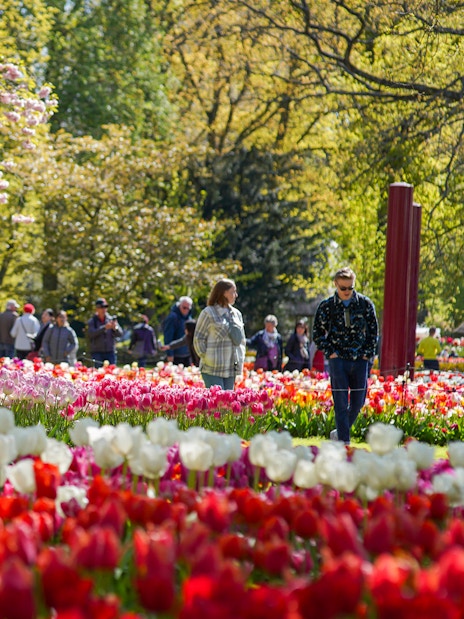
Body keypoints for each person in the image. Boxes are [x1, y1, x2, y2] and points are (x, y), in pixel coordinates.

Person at [313, 267, 378, 445]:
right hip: (338, 360)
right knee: (340, 403)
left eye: (350, 287)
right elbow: (317, 333)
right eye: (343, 288)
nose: (347, 291)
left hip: (359, 359)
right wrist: (330, 352)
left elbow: (373, 332)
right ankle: (344, 442)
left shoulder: (365, 304)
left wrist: (367, 354)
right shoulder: (327, 306)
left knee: (358, 402)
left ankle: (339, 432)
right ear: (336, 284)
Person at [193, 278, 246, 389]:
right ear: (223, 293)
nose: (236, 295)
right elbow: (198, 338)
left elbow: (241, 341)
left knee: (227, 404)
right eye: (233, 292)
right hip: (212, 368)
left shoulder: (237, 314)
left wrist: (240, 360)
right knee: (217, 404)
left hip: (230, 369)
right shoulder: (208, 312)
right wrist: (207, 357)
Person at [86, 298, 123, 367]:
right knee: (98, 373)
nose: (104, 309)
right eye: (101, 307)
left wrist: (115, 328)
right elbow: (91, 334)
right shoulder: (92, 321)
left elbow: (120, 333)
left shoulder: (111, 319)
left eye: (105, 307)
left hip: (110, 351)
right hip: (97, 352)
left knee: (112, 372)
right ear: (97, 309)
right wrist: (104, 328)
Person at [163, 296, 193, 365]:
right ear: (179, 305)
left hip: (187, 355)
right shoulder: (172, 317)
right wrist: (170, 354)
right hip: (176, 355)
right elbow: (168, 336)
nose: (186, 310)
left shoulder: (189, 317)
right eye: (184, 307)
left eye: (188, 308)